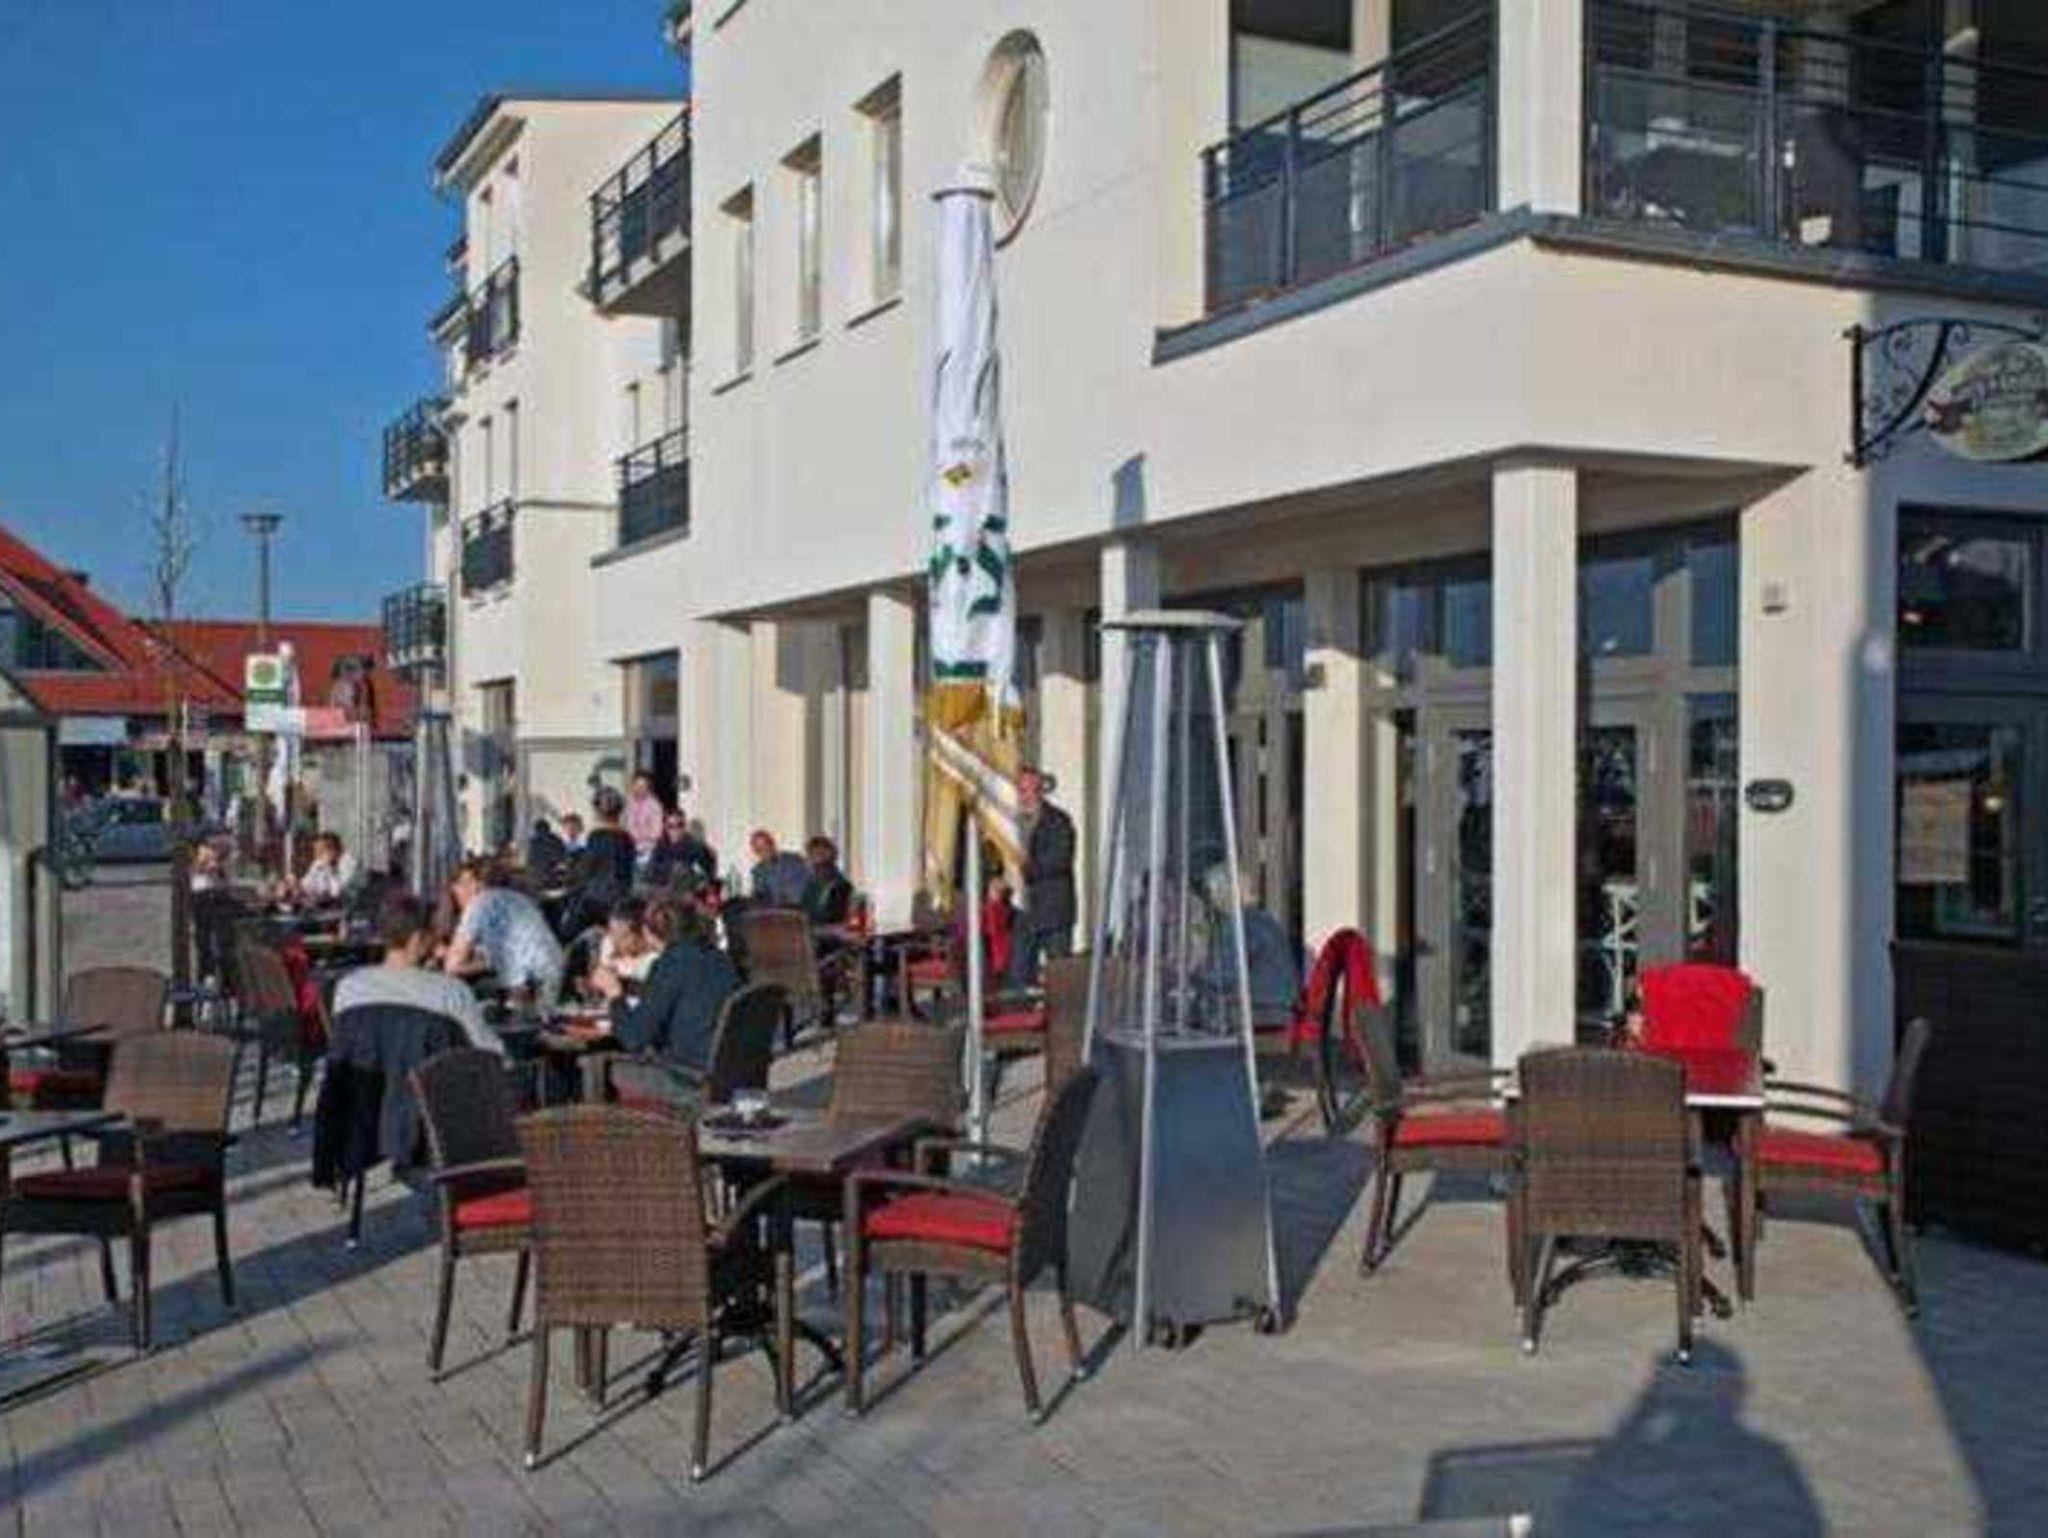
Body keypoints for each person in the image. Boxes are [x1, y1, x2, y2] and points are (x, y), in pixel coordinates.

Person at [335, 891, 503, 1055]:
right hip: (432, 1073)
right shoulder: (450, 993)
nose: (437, 939)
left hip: (367, 1074)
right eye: (433, 933)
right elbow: (491, 1054)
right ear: (417, 939)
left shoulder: (348, 989)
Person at [591, 893, 740, 1075]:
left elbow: (633, 1037)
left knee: (601, 1066)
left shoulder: (670, 965)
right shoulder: (720, 959)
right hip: (725, 1068)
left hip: (687, 1074)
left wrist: (614, 993)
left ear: (648, 931)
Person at [441, 858, 566, 1006]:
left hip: (525, 982)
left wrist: (482, 962)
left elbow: (452, 966)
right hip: (554, 970)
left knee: (464, 995)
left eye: (465, 883)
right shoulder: (519, 899)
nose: (463, 890)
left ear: (479, 884)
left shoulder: (478, 905)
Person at [1012, 766, 1077, 986]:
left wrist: (1028, 867)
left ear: (1039, 791)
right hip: (1028, 912)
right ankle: (1024, 1002)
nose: (1022, 796)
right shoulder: (1019, 822)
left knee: (1058, 975)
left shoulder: (1058, 821)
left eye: (1026, 790)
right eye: (1020, 790)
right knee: (1021, 973)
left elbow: (1060, 860)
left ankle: (1060, 1008)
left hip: (1054, 912)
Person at [564, 786, 636, 935]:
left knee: (566, 933)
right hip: (620, 901)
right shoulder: (627, 839)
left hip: (597, 902)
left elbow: (585, 871)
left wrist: (570, 878)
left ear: (598, 812)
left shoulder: (597, 837)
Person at [646, 809, 719, 892]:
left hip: (687, 890)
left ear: (684, 826)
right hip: (664, 890)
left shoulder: (694, 846)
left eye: (679, 825)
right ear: (665, 827)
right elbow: (651, 871)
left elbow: (705, 873)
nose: (675, 830)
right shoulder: (660, 846)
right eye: (671, 826)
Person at [596, 894, 657, 986]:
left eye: (621, 936)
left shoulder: (654, 963)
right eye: (611, 932)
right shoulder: (609, 946)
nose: (613, 941)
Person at [800, 835, 854, 928]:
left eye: (821, 854)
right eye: (812, 854)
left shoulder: (840, 885)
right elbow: (804, 908)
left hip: (829, 932)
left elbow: (834, 918)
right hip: (807, 929)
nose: (813, 859)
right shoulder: (811, 882)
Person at [748, 830, 810, 908]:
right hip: (774, 909)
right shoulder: (758, 871)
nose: (764, 851)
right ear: (755, 851)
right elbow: (759, 895)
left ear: (772, 844)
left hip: (797, 907)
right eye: (759, 849)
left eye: (765, 845)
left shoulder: (793, 860)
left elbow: (800, 891)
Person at [298, 832, 358, 905]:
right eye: (316, 852)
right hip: (327, 904)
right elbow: (306, 884)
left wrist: (330, 869)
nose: (316, 856)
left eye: (320, 852)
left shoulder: (348, 863)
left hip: (346, 905)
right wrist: (297, 885)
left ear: (333, 850)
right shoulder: (320, 863)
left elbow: (337, 893)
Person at [624, 772, 665, 867]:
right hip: (629, 848)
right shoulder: (629, 803)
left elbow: (657, 831)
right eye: (637, 785)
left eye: (643, 786)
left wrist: (642, 838)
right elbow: (626, 825)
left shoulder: (655, 805)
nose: (639, 789)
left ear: (648, 788)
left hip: (648, 849)